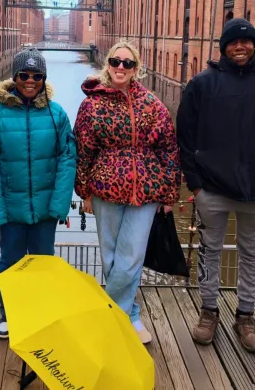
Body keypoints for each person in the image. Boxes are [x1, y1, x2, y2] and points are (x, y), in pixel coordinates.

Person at [177, 17, 255, 353]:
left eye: (246, 42)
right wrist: (195, 185)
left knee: (251, 254)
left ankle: (246, 316)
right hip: (212, 189)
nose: (240, 48)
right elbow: (184, 135)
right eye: (233, 43)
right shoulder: (202, 84)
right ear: (223, 47)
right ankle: (208, 311)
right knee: (210, 252)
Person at [73, 41, 180, 345]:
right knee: (109, 255)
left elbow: (168, 150)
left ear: (136, 69)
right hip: (105, 187)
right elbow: (83, 151)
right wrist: (85, 192)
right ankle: (129, 313)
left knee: (131, 256)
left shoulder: (151, 104)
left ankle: (116, 316)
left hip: (146, 190)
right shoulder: (92, 104)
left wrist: (169, 194)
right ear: (107, 64)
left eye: (127, 64)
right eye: (116, 62)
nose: (121, 67)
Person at [0, 48, 77, 339]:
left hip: (46, 209)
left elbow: (67, 158)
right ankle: (8, 314)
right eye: (24, 75)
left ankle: (39, 312)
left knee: (43, 263)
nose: (30, 81)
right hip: (11, 208)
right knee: (10, 262)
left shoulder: (56, 113)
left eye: (37, 76)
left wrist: (60, 204)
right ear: (15, 77)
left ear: (43, 78)